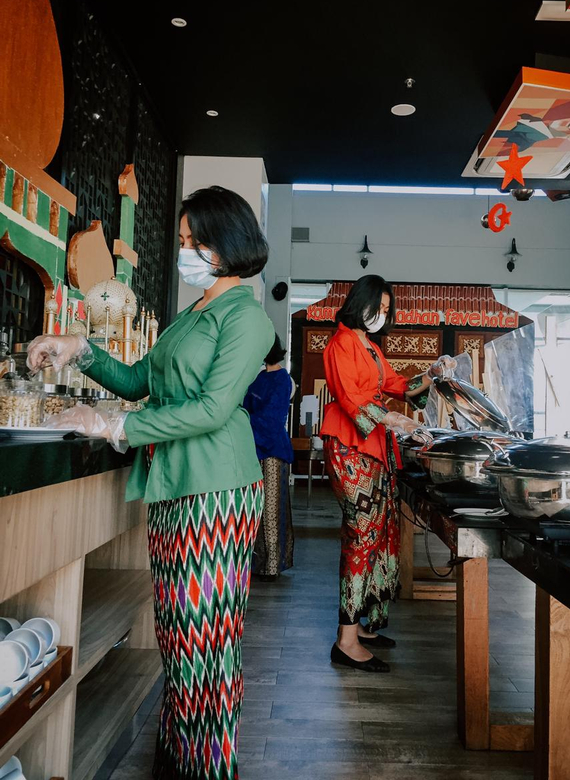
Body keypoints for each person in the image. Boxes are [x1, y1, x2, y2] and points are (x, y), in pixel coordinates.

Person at [28, 185, 275, 780]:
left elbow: (213, 410)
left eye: (194, 241)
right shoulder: (194, 313)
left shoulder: (247, 318)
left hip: (216, 489)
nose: (185, 250)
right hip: (175, 485)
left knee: (205, 641)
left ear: (227, 244)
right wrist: (81, 350)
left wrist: (113, 423)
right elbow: (142, 380)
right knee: (179, 633)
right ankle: (180, 754)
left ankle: (209, 766)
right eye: (184, 240)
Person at [320, 274, 455, 673]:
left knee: (376, 533)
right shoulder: (341, 342)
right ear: (358, 301)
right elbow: (349, 398)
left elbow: (395, 384)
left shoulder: (370, 347)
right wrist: (393, 418)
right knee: (362, 533)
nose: (381, 314)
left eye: (385, 309)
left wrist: (429, 377)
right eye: (376, 306)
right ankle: (345, 640)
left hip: (374, 447)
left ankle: (359, 623)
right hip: (348, 445)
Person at [243, 334, 295, 581]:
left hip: (273, 449)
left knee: (271, 511)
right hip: (253, 447)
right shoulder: (258, 378)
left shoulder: (283, 379)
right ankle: (259, 563)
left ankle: (272, 566)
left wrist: (241, 421)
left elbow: (272, 419)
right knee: (256, 509)